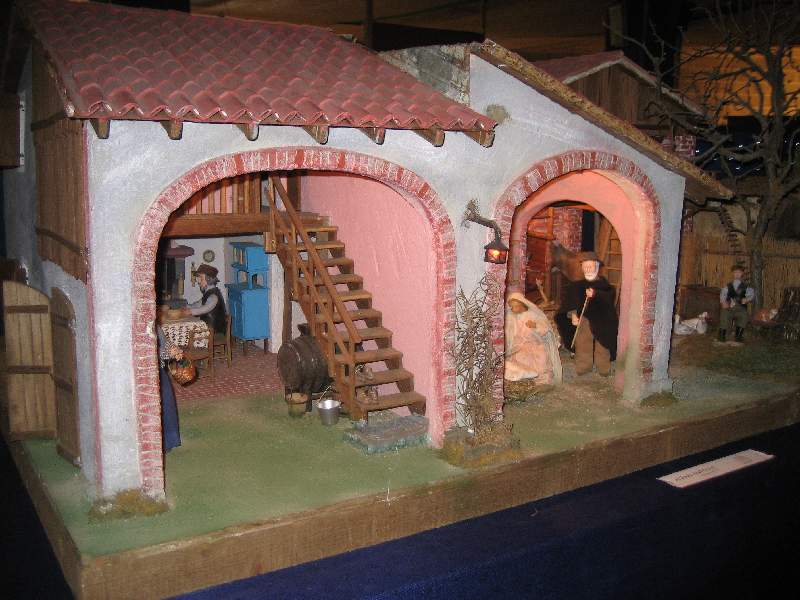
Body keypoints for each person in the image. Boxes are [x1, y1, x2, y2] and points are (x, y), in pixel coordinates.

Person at [556, 251, 618, 376]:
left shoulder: (604, 285)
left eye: (591, 266)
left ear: (597, 267)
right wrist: (573, 315)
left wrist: (595, 294)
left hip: (602, 320)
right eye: (585, 267)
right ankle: (583, 367)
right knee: (583, 343)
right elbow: (571, 302)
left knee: (602, 345)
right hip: (584, 320)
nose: (588, 269)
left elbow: (608, 297)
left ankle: (603, 368)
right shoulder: (577, 285)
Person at [504, 292, 562, 386]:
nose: (512, 309)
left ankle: (540, 378)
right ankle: (524, 378)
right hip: (520, 345)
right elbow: (510, 333)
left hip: (535, 344)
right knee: (518, 358)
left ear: (522, 304)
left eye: (515, 306)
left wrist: (536, 326)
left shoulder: (534, 315)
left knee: (541, 356)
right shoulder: (512, 318)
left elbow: (546, 328)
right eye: (511, 307)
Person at [157, 327, 182, 452]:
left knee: (167, 403)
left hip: (159, 370)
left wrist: (175, 349)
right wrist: (168, 353)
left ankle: (169, 441)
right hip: (147, 371)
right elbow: (148, 350)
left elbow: (165, 342)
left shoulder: (156, 326)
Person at [185, 263, 227, 333]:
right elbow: (198, 304)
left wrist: (190, 311)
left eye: (201, 279)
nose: (198, 282)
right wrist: (186, 306)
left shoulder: (213, 296)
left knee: (189, 333)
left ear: (208, 279)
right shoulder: (208, 293)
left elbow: (205, 308)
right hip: (208, 329)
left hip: (214, 333)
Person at [718, 265, 754, 343]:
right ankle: (721, 336)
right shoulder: (727, 286)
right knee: (724, 314)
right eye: (735, 272)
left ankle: (738, 336)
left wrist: (747, 299)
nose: (737, 274)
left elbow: (751, 294)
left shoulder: (746, 287)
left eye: (739, 272)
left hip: (740, 308)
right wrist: (723, 302)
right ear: (732, 273)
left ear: (742, 273)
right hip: (729, 308)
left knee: (744, 316)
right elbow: (722, 295)